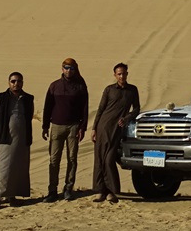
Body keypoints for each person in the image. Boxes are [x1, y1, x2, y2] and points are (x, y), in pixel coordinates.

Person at [91, 62, 140, 203]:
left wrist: (127, 118)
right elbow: (100, 109)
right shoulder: (109, 90)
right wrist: (94, 128)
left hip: (117, 130)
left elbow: (136, 109)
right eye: (119, 74)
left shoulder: (132, 90)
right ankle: (100, 191)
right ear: (115, 75)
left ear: (127, 74)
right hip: (103, 127)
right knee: (99, 160)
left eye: (124, 73)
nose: (122, 76)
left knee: (109, 159)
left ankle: (112, 192)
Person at [41, 57, 88, 202]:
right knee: (54, 160)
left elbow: (85, 108)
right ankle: (52, 191)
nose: (69, 71)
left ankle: (68, 188)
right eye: (66, 68)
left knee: (72, 159)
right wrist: (45, 126)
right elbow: (47, 106)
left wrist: (83, 127)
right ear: (62, 69)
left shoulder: (80, 86)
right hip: (56, 126)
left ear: (75, 70)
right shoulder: (54, 86)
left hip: (73, 127)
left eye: (72, 68)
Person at [0, 71, 34, 209]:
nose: (16, 84)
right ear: (9, 83)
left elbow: (29, 115)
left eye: (19, 81)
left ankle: (12, 196)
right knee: (1, 166)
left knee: (17, 167)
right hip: (5, 139)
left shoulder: (27, 98)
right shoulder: (1, 98)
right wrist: (3, 128)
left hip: (22, 139)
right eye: (13, 81)